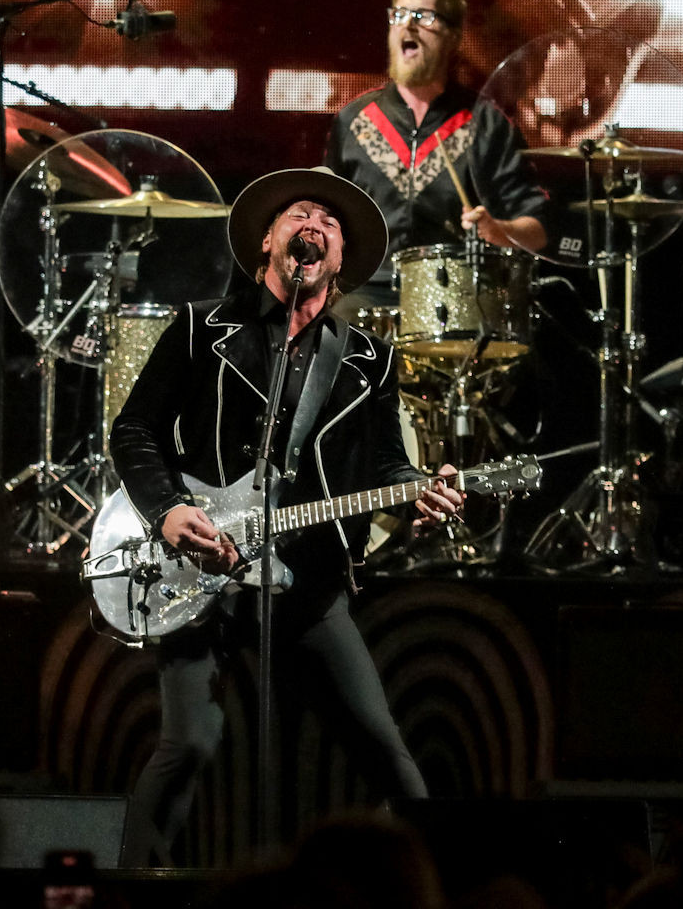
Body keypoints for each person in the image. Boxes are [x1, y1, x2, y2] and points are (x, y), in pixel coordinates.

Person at [108, 167, 465, 867]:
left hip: (308, 582)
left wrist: (419, 489)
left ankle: (442, 891)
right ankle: (128, 892)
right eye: (301, 212)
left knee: (388, 754)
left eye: (331, 222)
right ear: (267, 241)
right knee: (189, 746)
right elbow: (133, 431)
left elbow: (387, 464)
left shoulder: (368, 361)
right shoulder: (195, 328)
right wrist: (170, 509)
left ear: (341, 260)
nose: (317, 221)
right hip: (199, 570)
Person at [325, 0, 549, 298]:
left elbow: (538, 230)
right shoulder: (355, 120)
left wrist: (498, 230)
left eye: (424, 16)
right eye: (399, 14)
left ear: (454, 38)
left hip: (454, 295)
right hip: (364, 292)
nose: (408, 24)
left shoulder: (486, 123)